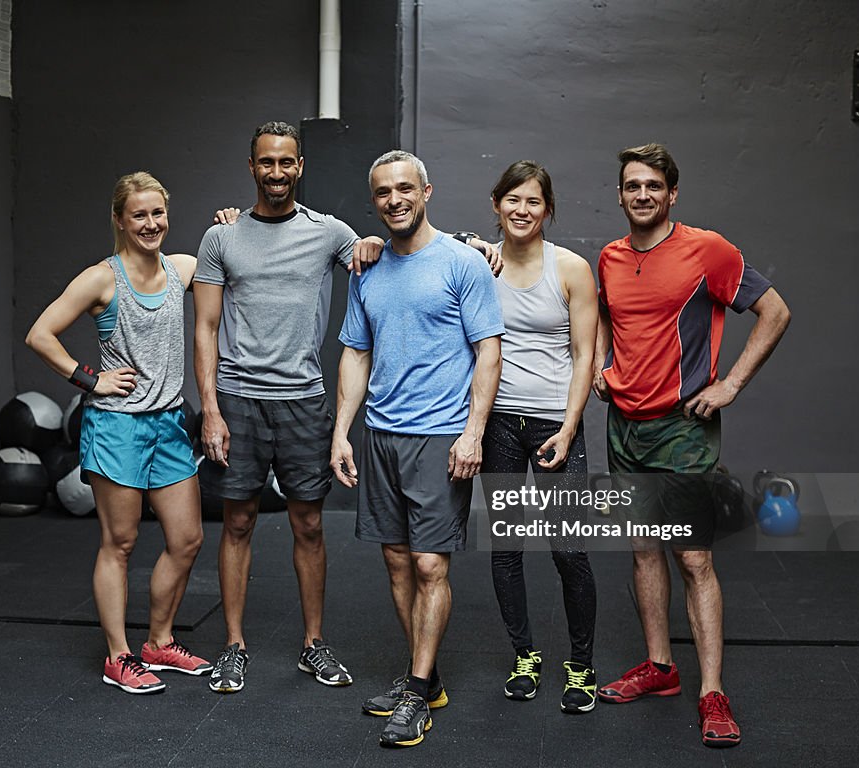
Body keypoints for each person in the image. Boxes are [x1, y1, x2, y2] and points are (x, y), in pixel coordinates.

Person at [593, 143, 791, 747]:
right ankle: (659, 667)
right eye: (632, 186)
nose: (643, 195)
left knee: (693, 557)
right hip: (625, 428)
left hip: (683, 429)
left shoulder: (708, 250)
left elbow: (775, 311)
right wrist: (604, 364)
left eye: (654, 185)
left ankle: (712, 691)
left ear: (672, 193)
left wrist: (730, 383)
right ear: (621, 194)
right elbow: (610, 317)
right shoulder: (609, 256)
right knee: (643, 550)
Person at [192, 121, 384, 694]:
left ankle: (313, 644)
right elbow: (203, 327)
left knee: (307, 523)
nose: (277, 172)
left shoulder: (330, 234)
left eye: (287, 162)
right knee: (239, 522)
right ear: (252, 167)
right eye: (266, 163)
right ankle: (233, 646)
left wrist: (478, 246)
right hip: (239, 399)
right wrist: (210, 408)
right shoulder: (220, 238)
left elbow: (397, 248)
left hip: (304, 400)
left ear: (300, 167)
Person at [331, 150, 505, 747]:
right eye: (383, 192)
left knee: (431, 564)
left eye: (406, 188)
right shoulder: (368, 268)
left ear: (426, 191)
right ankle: (422, 679)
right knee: (397, 562)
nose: (395, 200)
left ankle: (417, 688)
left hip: (439, 437)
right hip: (381, 434)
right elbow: (356, 352)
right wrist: (341, 432)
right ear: (374, 200)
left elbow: (488, 350)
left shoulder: (463, 263)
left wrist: (473, 431)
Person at [26, 172, 210, 695]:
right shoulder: (101, 279)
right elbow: (40, 334)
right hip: (117, 425)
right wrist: (90, 379)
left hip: (170, 422)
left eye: (158, 213)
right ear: (119, 220)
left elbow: (235, 269)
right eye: (139, 215)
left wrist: (226, 228)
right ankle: (119, 655)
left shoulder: (183, 268)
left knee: (187, 539)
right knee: (121, 542)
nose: (151, 224)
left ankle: (158, 642)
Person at [480, 161, 599, 712]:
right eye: (512, 200)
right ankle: (524, 654)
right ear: (497, 204)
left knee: (570, 550)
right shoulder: (482, 264)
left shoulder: (572, 269)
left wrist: (571, 426)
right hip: (499, 423)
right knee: (506, 549)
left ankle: (580, 665)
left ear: (547, 209)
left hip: (556, 422)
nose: (522, 210)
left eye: (533, 201)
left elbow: (584, 356)